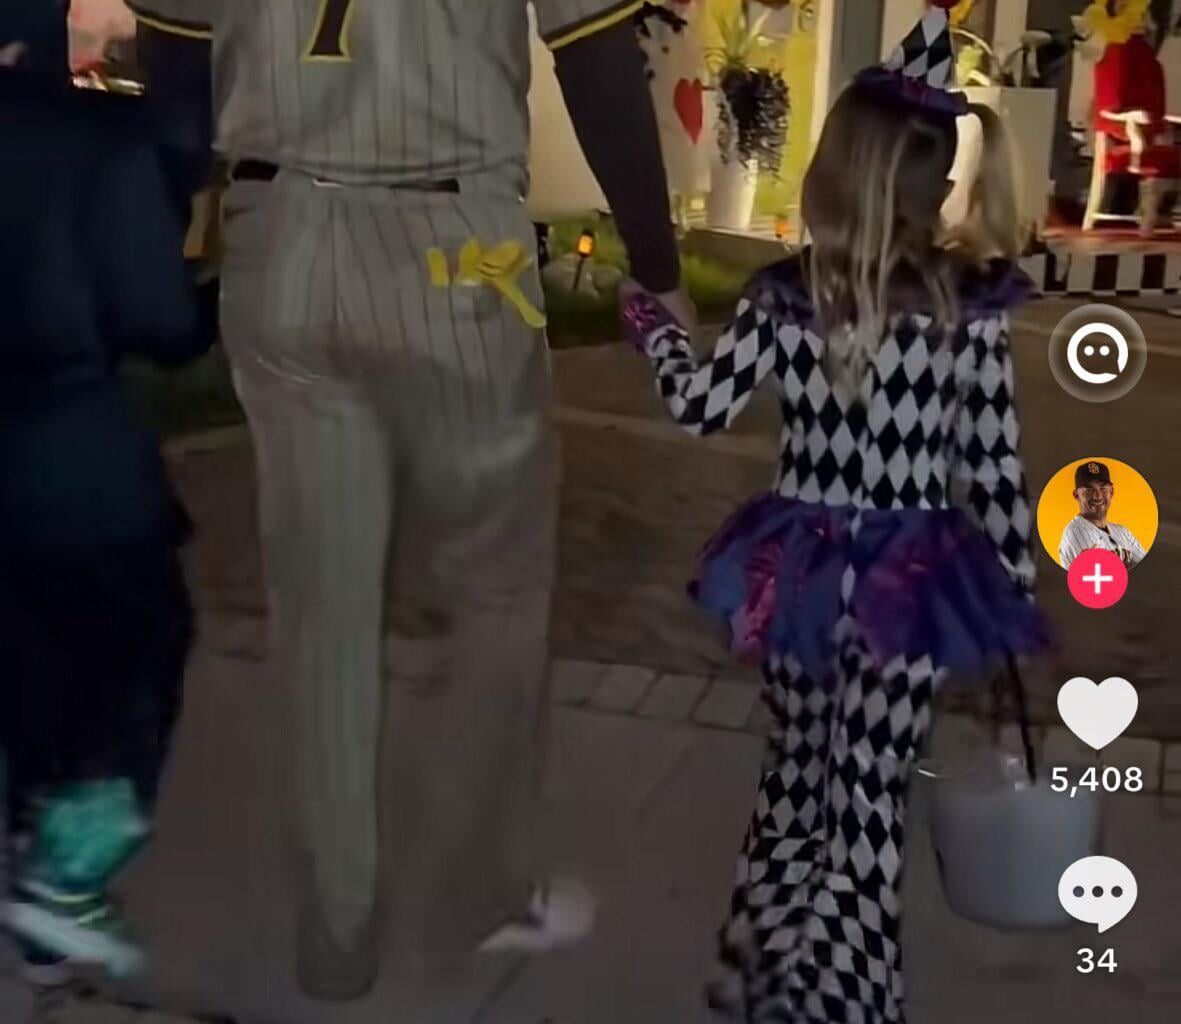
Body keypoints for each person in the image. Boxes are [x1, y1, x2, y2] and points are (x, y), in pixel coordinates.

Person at [128, 0, 685, 1001]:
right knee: (498, 587)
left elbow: (170, 65)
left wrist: (167, 242)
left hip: (280, 230)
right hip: (458, 237)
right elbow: (595, 57)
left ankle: (336, 932)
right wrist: (655, 265)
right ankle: (480, 888)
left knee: (322, 599)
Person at [621, 5, 1050, 1021]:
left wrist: (654, 331)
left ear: (834, 172)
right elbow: (992, 474)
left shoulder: (784, 297)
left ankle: (762, 977)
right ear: (934, 182)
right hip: (909, 584)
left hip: (803, 575)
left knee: (792, 777)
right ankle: (856, 998)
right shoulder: (963, 306)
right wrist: (1013, 614)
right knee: (870, 794)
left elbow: (697, 408)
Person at [0, 0, 208, 984]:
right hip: (68, 465)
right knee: (137, 654)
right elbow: (162, 323)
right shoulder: (93, 141)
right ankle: (62, 874)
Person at [1058, 460, 1147, 569]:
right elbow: (1105, 581)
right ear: (1076, 495)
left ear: (1112, 492)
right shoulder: (1076, 532)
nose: (1097, 496)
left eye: (1103, 488)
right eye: (1088, 489)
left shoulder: (1122, 532)